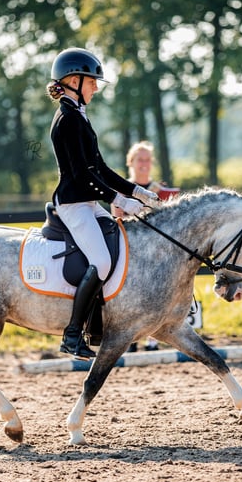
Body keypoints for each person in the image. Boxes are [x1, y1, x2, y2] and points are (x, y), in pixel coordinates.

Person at [48, 47, 158, 360]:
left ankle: (99, 325)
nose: (96, 86)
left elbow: (102, 170)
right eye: (91, 81)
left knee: (118, 246)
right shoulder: (68, 120)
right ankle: (72, 334)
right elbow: (84, 177)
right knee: (103, 262)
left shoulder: (79, 117)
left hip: (86, 201)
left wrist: (138, 192)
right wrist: (119, 199)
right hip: (74, 203)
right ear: (72, 80)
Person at [111, 140, 175, 352]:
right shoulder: (119, 190)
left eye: (147, 159)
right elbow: (116, 221)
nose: (144, 163)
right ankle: (130, 337)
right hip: (130, 250)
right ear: (131, 162)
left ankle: (153, 338)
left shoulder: (161, 192)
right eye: (140, 159)